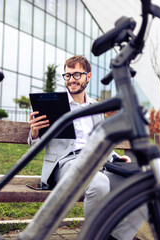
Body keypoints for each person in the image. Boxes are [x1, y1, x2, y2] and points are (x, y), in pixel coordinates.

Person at [28, 55, 143, 240]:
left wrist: (115, 158)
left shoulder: (96, 107)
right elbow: (36, 145)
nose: (71, 80)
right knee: (99, 183)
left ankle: (117, 237)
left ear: (88, 76)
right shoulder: (52, 104)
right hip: (66, 164)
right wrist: (34, 133)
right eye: (67, 75)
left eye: (76, 75)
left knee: (143, 186)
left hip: (98, 164)